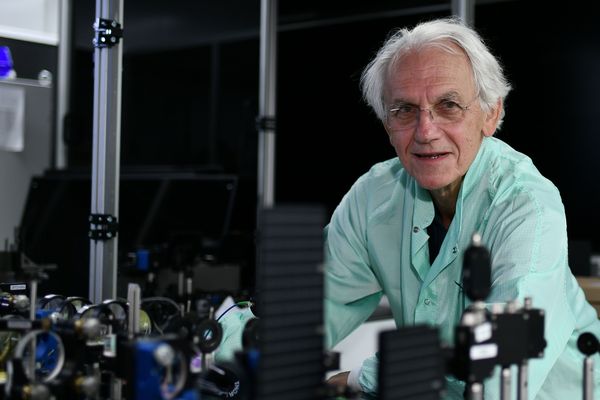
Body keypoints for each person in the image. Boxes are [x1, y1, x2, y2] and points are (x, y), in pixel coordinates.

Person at [323, 17, 600, 398]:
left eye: (448, 105)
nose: (425, 131)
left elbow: (503, 363)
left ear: (490, 114)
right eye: (404, 110)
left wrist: (362, 378)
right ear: (385, 122)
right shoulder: (374, 195)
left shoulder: (526, 203)